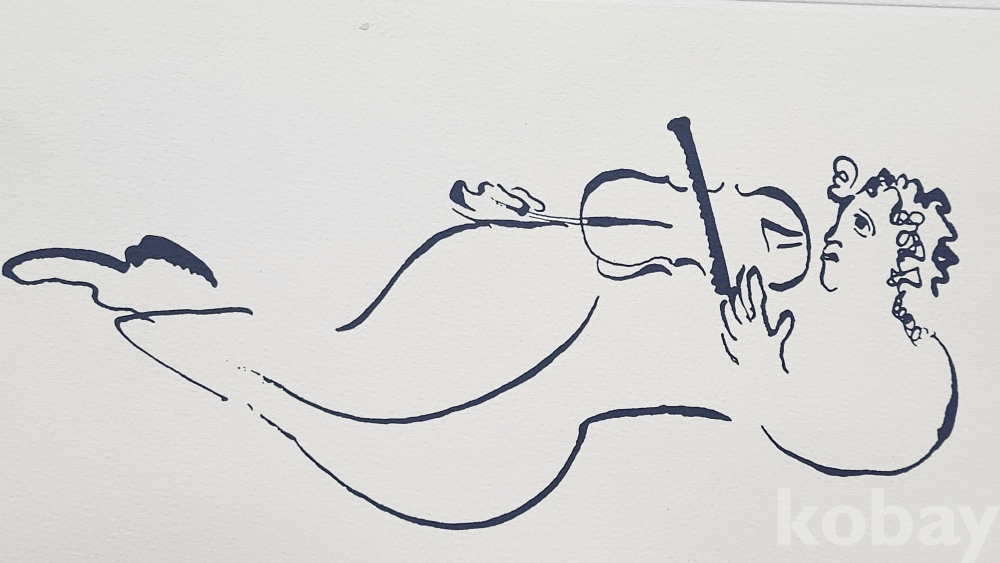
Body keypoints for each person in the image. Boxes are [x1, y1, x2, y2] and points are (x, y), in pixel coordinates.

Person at [2, 121, 959, 529]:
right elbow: (626, 229)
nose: (837, 232)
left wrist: (763, 372)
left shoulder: (871, 361)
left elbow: (857, 435)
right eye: (849, 219)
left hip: (546, 410)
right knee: (341, 377)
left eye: (860, 229)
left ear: (900, 263)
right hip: (542, 302)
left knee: (316, 411)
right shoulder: (780, 256)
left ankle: (164, 307)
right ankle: (149, 297)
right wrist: (537, 219)